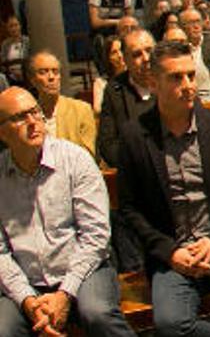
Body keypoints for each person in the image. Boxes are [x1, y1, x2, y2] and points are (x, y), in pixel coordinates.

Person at [116, 40, 210, 337]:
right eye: (176, 77)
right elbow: (130, 208)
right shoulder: (135, 136)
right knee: (171, 326)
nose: (188, 85)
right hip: (173, 252)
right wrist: (170, 251)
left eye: (190, 75)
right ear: (153, 82)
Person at [0, 87, 136, 337]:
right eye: (20, 117)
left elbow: (95, 236)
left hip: (85, 272)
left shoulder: (75, 160)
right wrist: (28, 301)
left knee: (97, 314)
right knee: (3, 328)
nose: (32, 122)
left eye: (35, 112)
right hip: (27, 281)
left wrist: (64, 293)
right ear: (1, 132)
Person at [96, 29, 156, 168]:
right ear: (126, 60)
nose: (146, 58)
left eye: (149, 50)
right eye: (137, 54)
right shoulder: (114, 91)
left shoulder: (172, 79)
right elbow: (108, 145)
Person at [25, 51, 98, 162]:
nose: (51, 77)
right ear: (32, 80)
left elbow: (89, 156)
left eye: (55, 72)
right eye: (43, 72)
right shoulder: (27, 117)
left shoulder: (81, 110)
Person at [93, 35, 127, 114]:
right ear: (108, 58)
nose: (120, 55)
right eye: (114, 52)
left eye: (121, 50)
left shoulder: (134, 77)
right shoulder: (101, 82)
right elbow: (97, 109)